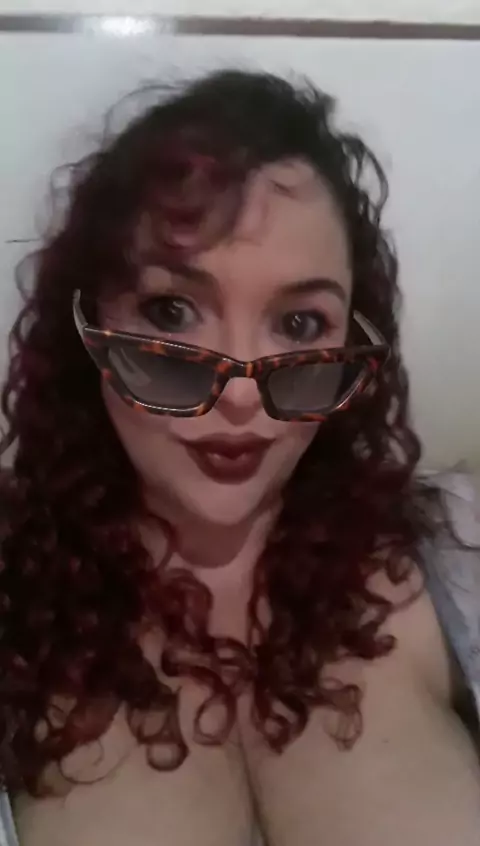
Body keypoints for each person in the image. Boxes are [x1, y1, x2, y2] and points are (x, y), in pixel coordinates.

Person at [0, 69, 479, 846]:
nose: (244, 397)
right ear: (85, 323)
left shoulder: (454, 548)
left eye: (300, 323)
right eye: (171, 310)